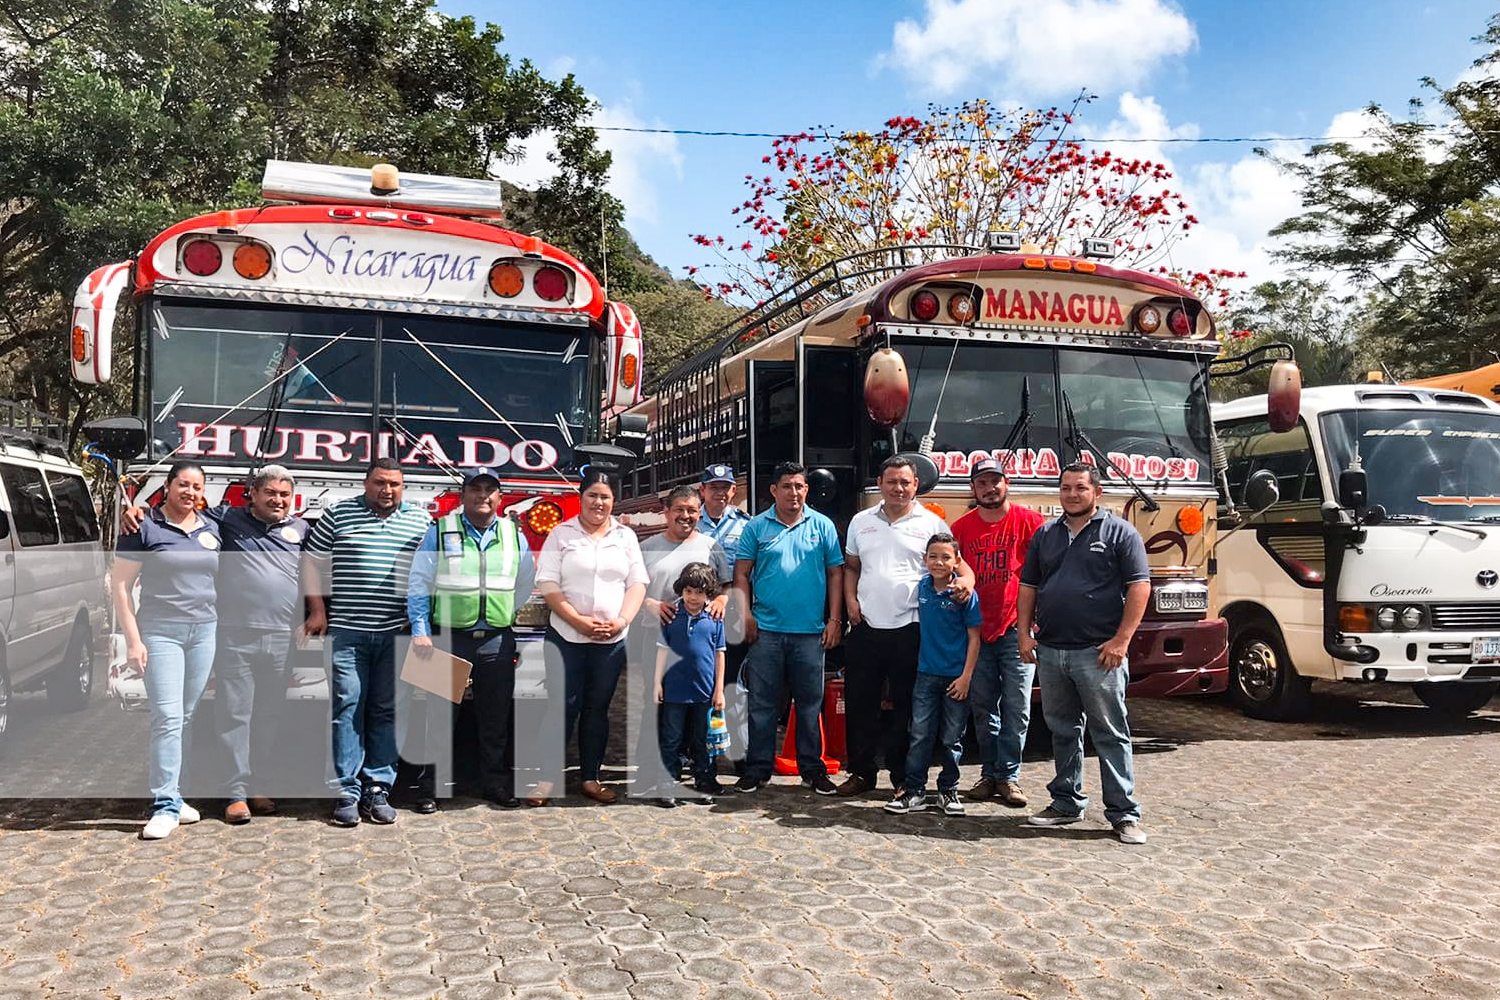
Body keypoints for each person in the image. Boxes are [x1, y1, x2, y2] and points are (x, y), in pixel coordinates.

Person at [122, 464, 309, 825]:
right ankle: (234, 793)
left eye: (284, 494)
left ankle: (258, 785)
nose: (277, 499)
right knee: (234, 715)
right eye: (270, 492)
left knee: (268, 716)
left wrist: (315, 610)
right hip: (233, 635)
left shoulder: (300, 527)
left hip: (282, 637)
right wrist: (138, 511)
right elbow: (181, 513)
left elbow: (315, 567)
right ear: (252, 493)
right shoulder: (225, 519)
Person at [1017, 462, 1151, 845]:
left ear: (1097, 492)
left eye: (1079, 488)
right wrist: (1024, 634)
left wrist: (1121, 641)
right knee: (1062, 731)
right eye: (1065, 488)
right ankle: (1065, 802)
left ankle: (1124, 814)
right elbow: (1029, 586)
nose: (1072, 494)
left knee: (1110, 734)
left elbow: (1140, 588)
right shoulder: (1046, 534)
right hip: (1052, 650)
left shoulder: (1121, 533)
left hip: (1098, 654)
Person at [301, 458, 434, 827]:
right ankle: (345, 789)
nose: (386, 490)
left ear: (403, 487)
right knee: (347, 707)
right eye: (379, 482)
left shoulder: (421, 521)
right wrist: (317, 610)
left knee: (388, 709)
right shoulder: (337, 515)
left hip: (397, 632)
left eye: (394, 484)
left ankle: (378, 786)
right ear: (366, 483)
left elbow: (431, 572)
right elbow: (311, 563)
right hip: (347, 632)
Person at [406, 466, 535, 812]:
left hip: (496, 637)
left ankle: (494, 784)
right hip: (446, 635)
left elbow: (524, 583)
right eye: (475, 489)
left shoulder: (513, 534)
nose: (483, 496)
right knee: (437, 716)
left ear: (499, 497)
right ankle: (430, 786)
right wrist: (420, 629)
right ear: (463, 495)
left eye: (490, 490)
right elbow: (419, 581)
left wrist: (504, 611)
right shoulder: (440, 530)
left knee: (495, 716)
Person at [838, 456, 965, 798]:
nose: (898, 488)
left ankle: (901, 776)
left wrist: (966, 582)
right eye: (892, 481)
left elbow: (958, 565)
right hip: (865, 625)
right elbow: (851, 567)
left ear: (916, 485)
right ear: (880, 483)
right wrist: (850, 601)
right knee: (860, 702)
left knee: (905, 707)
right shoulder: (860, 521)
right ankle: (861, 773)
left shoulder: (930, 522)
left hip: (911, 626)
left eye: (905, 482)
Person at [112, 462, 221, 840]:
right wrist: (134, 639)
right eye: (182, 485)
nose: (189, 492)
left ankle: (177, 795)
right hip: (161, 633)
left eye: (196, 486)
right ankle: (164, 805)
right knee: (168, 718)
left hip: (205, 632)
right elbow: (121, 587)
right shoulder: (142, 526)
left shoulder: (213, 527)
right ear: (168, 486)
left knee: (187, 717)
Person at [534, 469, 648, 805]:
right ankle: (546, 779)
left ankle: (590, 778)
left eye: (606, 497)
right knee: (561, 708)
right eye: (592, 495)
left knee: (597, 709)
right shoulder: (561, 533)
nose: (599, 502)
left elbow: (637, 583)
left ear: (614, 501)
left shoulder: (625, 537)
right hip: (566, 635)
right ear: (581, 497)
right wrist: (578, 620)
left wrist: (623, 619)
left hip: (610, 642)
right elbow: (548, 584)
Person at [731, 460, 844, 795]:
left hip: (810, 633)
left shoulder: (822, 526)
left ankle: (812, 770)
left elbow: (836, 573)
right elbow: (741, 573)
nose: (794, 493)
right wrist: (746, 615)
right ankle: (758, 769)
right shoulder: (756, 527)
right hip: (765, 630)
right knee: (762, 704)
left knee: (809, 705)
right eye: (787, 486)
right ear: (773, 490)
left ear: (806, 490)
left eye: (799, 486)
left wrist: (835, 619)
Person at [950, 459, 1045, 806]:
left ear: (1007, 483)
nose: (990, 488)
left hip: (1016, 629)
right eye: (982, 483)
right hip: (976, 631)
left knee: (1018, 707)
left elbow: (1045, 575)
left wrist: (1034, 625)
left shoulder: (1032, 524)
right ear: (973, 489)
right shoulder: (960, 529)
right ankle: (989, 774)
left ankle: (1009, 776)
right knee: (983, 706)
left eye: (995, 481)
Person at [632, 486, 731, 797]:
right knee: (656, 705)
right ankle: (652, 772)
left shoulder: (710, 545)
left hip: (701, 640)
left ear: (699, 513)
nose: (686, 516)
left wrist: (723, 603)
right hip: (657, 637)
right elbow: (631, 588)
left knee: (697, 712)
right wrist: (649, 604)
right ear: (667, 511)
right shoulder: (647, 547)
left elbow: (725, 587)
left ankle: (698, 772)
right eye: (680, 510)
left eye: (692, 510)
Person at [885, 533, 981, 816]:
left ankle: (948, 789)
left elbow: (975, 638)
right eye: (933, 557)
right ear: (924, 560)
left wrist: (966, 678)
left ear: (957, 561)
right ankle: (914, 791)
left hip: (956, 678)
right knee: (920, 734)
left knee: (952, 738)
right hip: (926, 675)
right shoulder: (923, 588)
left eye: (946, 557)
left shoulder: (965, 595)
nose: (939, 562)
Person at [648, 562, 727, 808]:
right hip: (674, 691)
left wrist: (719, 690)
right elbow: (662, 651)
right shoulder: (672, 616)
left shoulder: (714, 617)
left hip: (704, 693)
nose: (693, 598)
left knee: (703, 740)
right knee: (670, 739)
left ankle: (704, 780)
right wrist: (656, 683)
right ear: (681, 590)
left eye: (700, 592)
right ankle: (668, 783)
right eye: (689, 591)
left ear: (709, 594)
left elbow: (720, 654)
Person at [697, 464, 752, 771]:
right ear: (702, 490)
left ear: (734, 491)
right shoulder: (691, 522)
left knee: (733, 684)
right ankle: (698, 752)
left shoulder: (747, 525)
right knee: (698, 683)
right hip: (696, 614)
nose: (720, 492)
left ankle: (738, 753)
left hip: (731, 614)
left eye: (725, 487)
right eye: (713, 486)